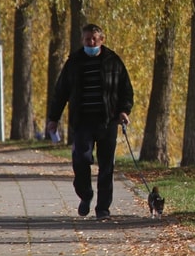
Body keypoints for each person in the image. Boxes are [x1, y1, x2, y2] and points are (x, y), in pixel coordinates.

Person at [47, 23, 134, 220]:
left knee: (106, 166)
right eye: (87, 39)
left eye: (94, 39)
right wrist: (53, 118)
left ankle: (103, 208)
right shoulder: (74, 62)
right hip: (82, 122)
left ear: (101, 40)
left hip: (107, 121)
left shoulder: (113, 61)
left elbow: (126, 90)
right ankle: (85, 195)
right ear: (83, 40)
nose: (91, 42)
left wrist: (123, 110)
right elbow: (61, 92)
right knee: (81, 160)